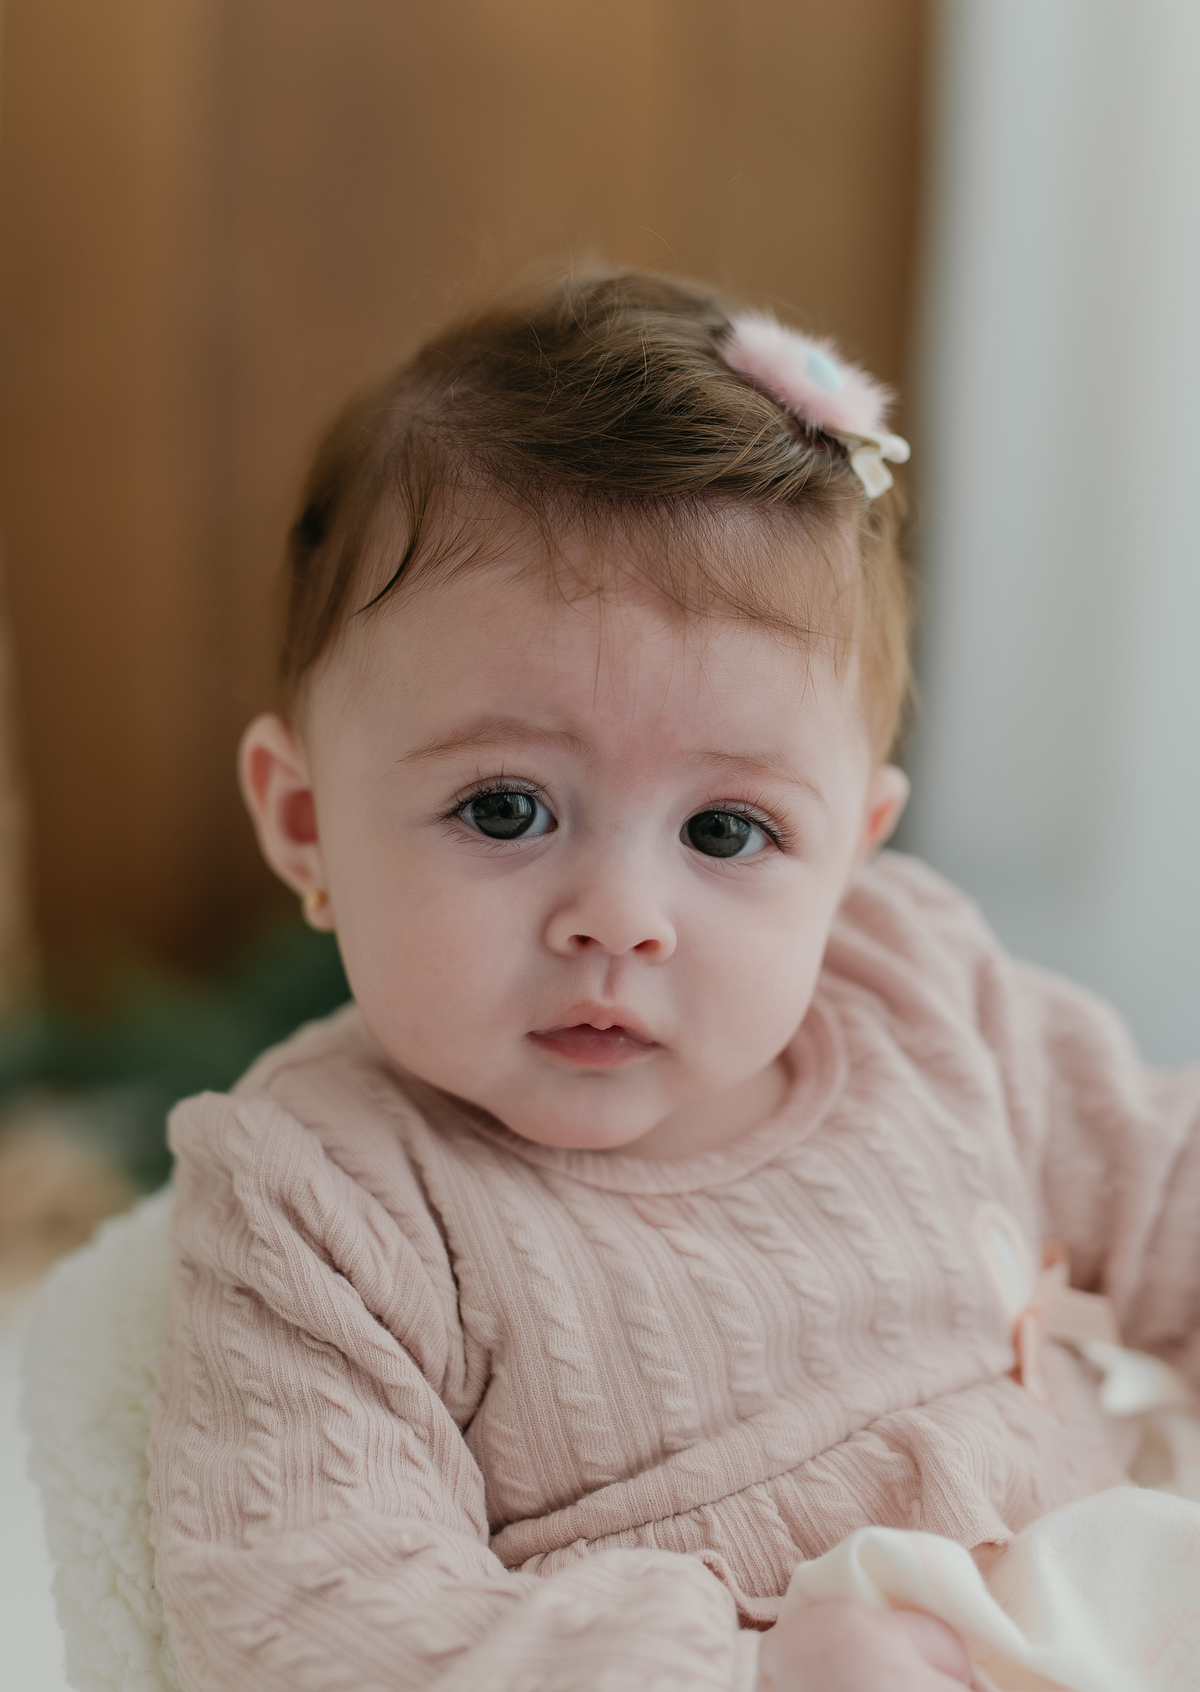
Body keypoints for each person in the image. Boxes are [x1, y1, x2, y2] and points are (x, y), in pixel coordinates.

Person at [148, 270, 1200, 1692]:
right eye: (507, 808)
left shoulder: (916, 983)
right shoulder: (324, 1199)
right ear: (306, 822)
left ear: (849, 859)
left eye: (726, 830)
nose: (619, 919)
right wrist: (760, 1670)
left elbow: (1169, 1184)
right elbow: (313, 1611)